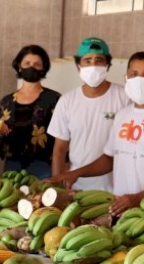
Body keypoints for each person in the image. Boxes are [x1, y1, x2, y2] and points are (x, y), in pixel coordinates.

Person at [49, 51, 144, 216]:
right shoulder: (123, 115)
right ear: (126, 78)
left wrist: (137, 198)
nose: (139, 80)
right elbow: (110, 158)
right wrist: (75, 173)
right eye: (134, 74)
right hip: (120, 209)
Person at [48, 37, 130, 192]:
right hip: (76, 186)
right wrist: (58, 187)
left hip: (117, 189)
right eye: (87, 60)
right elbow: (60, 149)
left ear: (107, 64)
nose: (93, 65)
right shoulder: (67, 101)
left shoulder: (124, 97)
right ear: (79, 66)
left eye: (99, 60)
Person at [0, 45, 61, 179]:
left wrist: (60, 172)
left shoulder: (55, 99)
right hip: (12, 163)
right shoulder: (6, 102)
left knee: (39, 199)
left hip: (43, 165)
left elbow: (64, 136)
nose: (31, 67)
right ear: (19, 66)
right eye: (27, 63)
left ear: (43, 69)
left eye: (37, 64)